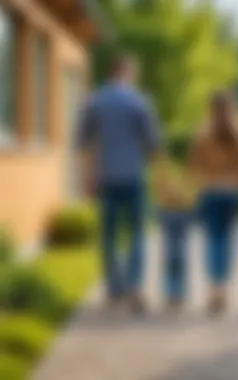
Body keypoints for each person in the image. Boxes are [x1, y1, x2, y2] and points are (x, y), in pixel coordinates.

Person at [77, 54, 163, 313]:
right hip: (134, 176)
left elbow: (83, 143)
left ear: (110, 73)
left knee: (109, 234)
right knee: (137, 232)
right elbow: (153, 146)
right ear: (127, 72)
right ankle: (134, 284)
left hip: (105, 177)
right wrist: (161, 178)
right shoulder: (140, 102)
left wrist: (88, 177)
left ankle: (114, 288)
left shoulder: (95, 102)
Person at [188, 90, 238, 315]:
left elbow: (193, 165)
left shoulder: (202, 134)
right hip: (232, 192)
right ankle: (223, 288)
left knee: (213, 240)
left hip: (209, 191)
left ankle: (214, 288)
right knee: (227, 240)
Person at [155, 159, 196, 313]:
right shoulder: (171, 179)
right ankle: (174, 292)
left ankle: (175, 293)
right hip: (174, 216)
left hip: (176, 216)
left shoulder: (175, 180)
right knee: (175, 258)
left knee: (176, 258)